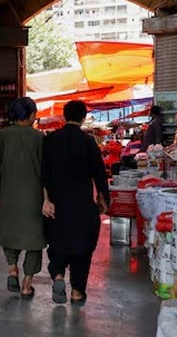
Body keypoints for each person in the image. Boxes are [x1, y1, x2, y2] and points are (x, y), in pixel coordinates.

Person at [42, 100, 110, 305]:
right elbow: (100, 173)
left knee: (57, 244)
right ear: (83, 117)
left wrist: (45, 200)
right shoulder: (88, 141)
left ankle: (59, 277)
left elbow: (43, 173)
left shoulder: (51, 140)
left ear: (64, 116)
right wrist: (104, 198)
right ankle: (77, 292)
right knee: (83, 248)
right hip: (82, 205)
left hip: (57, 204)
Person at [0, 97, 45, 299]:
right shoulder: (39, 138)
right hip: (33, 196)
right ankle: (27, 285)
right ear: (31, 115)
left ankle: (12, 269)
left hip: (9, 194)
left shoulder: (2, 135)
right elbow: (45, 171)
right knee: (35, 239)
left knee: (9, 232)